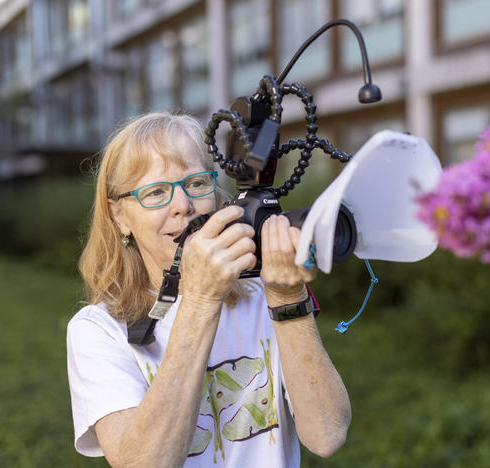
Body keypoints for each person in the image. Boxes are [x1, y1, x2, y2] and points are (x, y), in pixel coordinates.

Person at [67, 112, 351, 468]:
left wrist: (287, 298)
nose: (183, 206)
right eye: (156, 192)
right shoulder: (98, 330)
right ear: (119, 216)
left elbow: (327, 434)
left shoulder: (262, 292)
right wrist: (200, 299)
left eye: (197, 184)